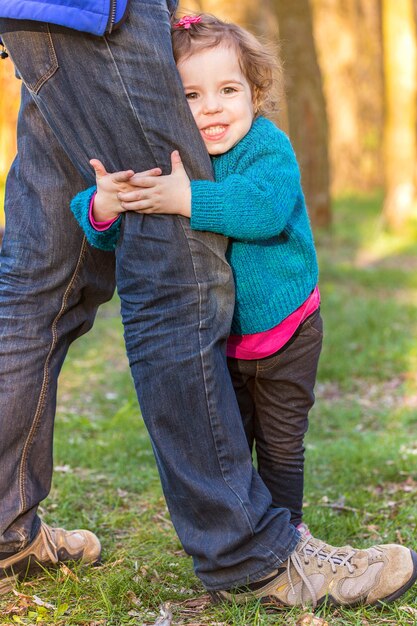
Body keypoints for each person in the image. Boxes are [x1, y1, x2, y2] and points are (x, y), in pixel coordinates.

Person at [68, 13, 417, 608]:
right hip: (221, 342)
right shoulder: (168, 152)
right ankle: (247, 538)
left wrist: (187, 198)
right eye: (191, 95)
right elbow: (107, 234)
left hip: (285, 332)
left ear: (255, 92)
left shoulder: (266, 147)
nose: (212, 109)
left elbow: (262, 211)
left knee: (281, 444)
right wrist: (103, 203)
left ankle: (290, 537)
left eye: (228, 91)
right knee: (231, 441)